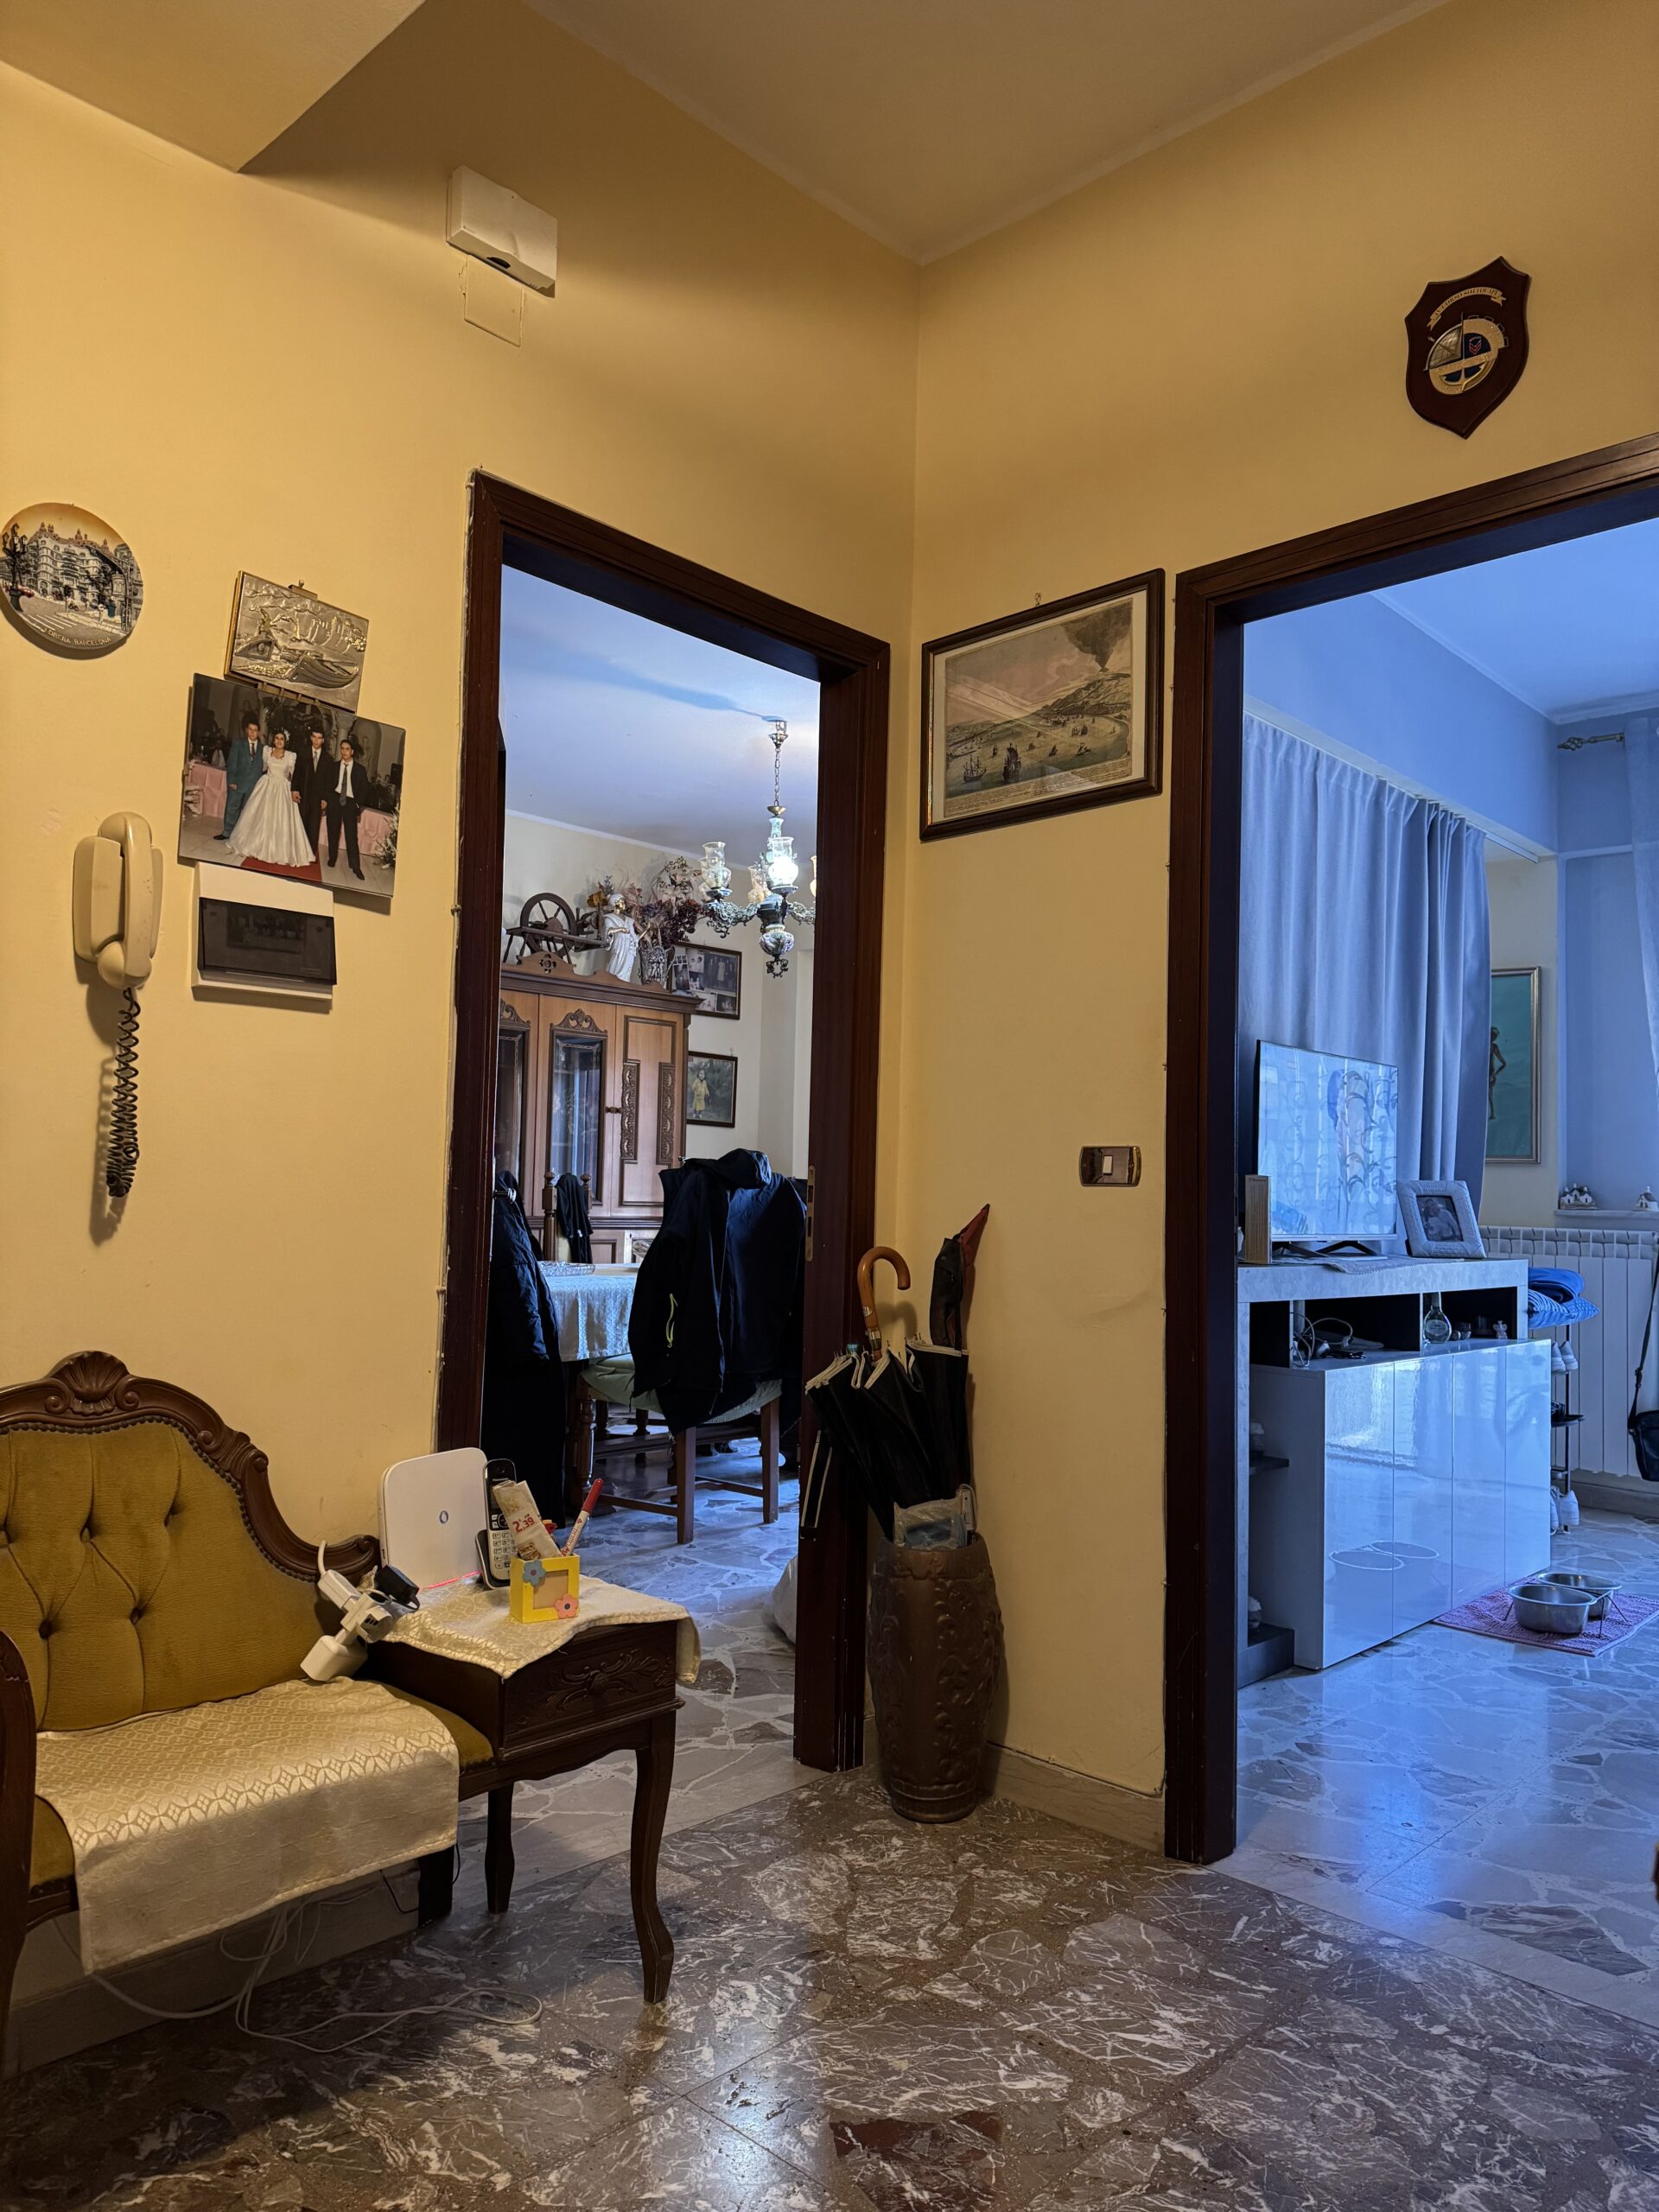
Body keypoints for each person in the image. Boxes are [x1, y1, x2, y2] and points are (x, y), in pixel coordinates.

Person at [225, 733, 314, 869]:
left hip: (282, 788)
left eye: (282, 739)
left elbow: (294, 775)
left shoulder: (290, 756)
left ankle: (279, 850)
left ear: (285, 741)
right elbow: (263, 768)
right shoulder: (267, 752)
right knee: (261, 816)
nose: (279, 741)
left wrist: (295, 789)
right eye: (277, 738)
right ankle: (257, 844)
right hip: (267, 785)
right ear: (273, 740)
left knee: (281, 819)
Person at [325, 735, 369, 880]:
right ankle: (332, 858)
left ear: (352, 752)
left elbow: (365, 790)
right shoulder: (333, 767)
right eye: (342, 749)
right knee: (333, 832)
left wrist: (357, 804)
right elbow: (328, 784)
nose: (344, 752)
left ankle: (355, 866)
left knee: (351, 836)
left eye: (347, 749)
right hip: (335, 801)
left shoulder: (360, 770)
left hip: (350, 803)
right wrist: (328, 799)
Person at [219, 715, 264, 840]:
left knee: (248, 811)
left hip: (253, 785)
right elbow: (232, 763)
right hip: (238, 782)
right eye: (250, 729)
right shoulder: (238, 744)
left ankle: (242, 835)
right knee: (232, 807)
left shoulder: (263, 748)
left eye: (255, 730)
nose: (253, 733)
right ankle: (227, 832)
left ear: (258, 732)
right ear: (246, 730)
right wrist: (232, 780)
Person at [293, 722, 334, 855]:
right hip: (303, 794)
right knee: (301, 821)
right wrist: (295, 789)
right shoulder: (303, 752)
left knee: (314, 825)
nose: (316, 740)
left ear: (323, 740)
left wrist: (325, 798)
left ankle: (310, 853)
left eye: (319, 738)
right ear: (311, 738)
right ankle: (298, 851)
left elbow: (329, 782)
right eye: (314, 737)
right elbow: (297, 773)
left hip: (318, 797)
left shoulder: (328, 759)